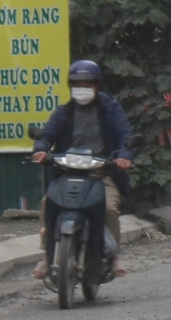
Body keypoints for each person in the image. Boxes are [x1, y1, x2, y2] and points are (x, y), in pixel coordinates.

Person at [30, 60, 134, 281]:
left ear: (97, 86)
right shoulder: (64, 112)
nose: (83, 88)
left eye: (88, 84)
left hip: (101, 173)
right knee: (47, 205)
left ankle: (113, 255)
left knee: (108, 208)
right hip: (67, 174)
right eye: (78, 84)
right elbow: (47, 135)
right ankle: (48, 255)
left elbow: (125, 134)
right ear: (70, 86)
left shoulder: (110, 109)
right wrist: (40, 150)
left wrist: (124, 156)